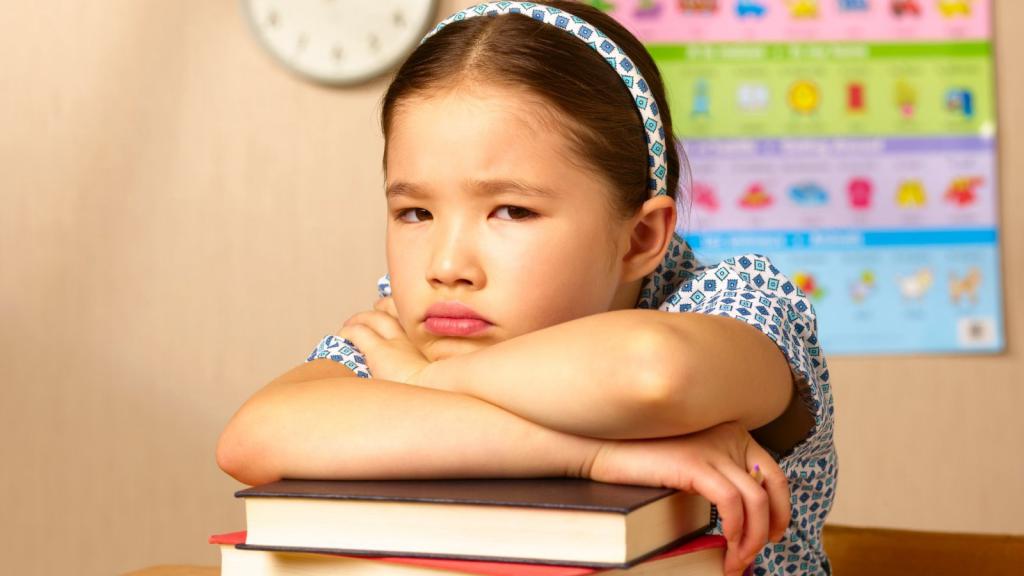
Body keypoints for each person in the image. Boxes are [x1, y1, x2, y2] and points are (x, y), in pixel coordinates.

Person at [216, 2, 837, 575]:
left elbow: (651, 374)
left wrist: (421, 385)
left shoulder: (734, 301)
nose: (447, 263)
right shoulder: (423, 329)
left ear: (640, 238)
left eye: (510, 211)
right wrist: (591, 456)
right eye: (415, 213)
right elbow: (257, 436)